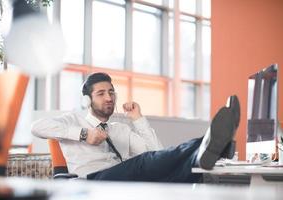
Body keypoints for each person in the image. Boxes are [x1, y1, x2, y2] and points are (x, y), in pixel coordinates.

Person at [31, 72, 240, 183]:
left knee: (184, 175)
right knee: (141, 164)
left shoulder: (119, 129)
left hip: (123, 178)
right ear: (87, 100)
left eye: (111, 93)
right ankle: (210, 143)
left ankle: (205, 151)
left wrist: (138, 119)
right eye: (101, 93)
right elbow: (37, 127)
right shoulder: (73, 121)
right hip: (93, 181)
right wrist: (85, 134)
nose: (109, 98)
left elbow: (156, 154)